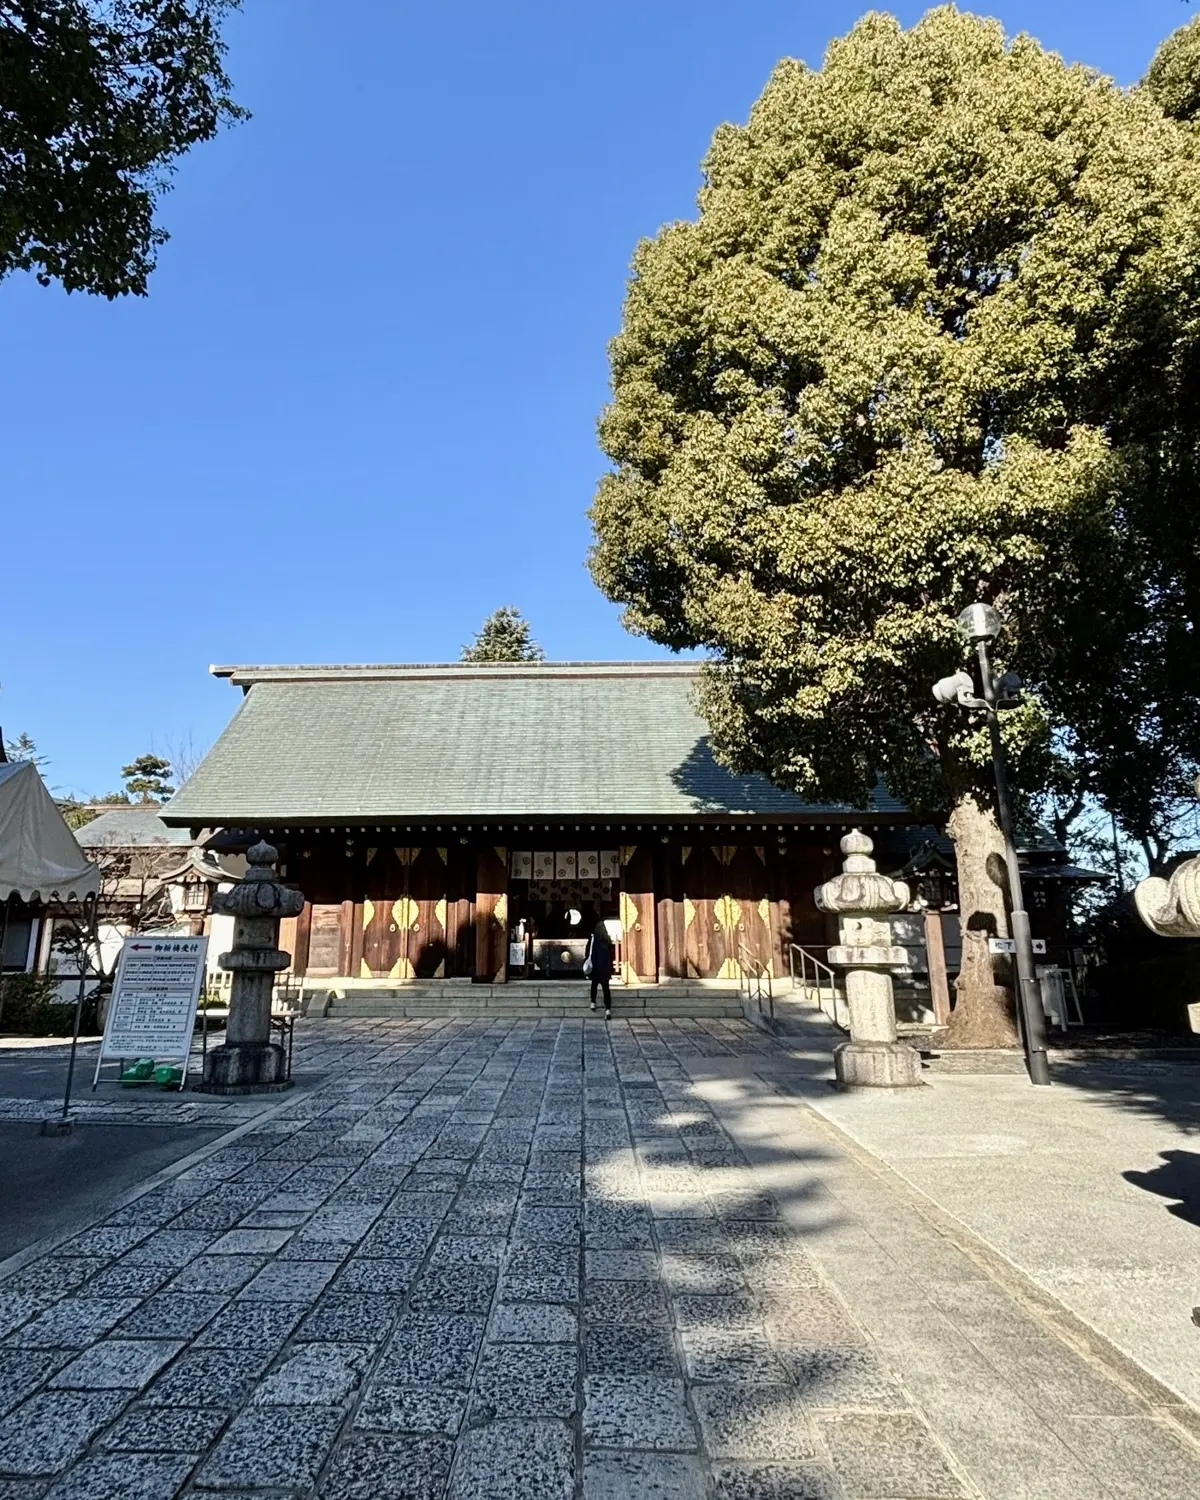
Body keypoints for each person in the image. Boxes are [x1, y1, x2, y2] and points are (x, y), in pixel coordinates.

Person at [587, 916, 615, 1019]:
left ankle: (593, 1002)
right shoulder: (607, 941)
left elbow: (587, 953)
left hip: (595, 967)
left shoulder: (593, 940)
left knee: (594, 985)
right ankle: (607, 1009)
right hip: (605, 968)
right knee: (606, 988)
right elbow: (612, 955)